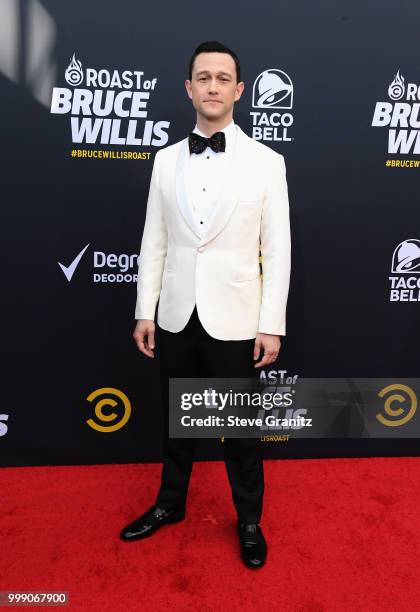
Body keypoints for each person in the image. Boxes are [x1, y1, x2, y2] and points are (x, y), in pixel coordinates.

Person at [120, 41, 291, 569]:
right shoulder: (165, 159)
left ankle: (249, 521)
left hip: (236, 320)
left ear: (239, 91)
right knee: (177, 424)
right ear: (189, 88)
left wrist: (271, 324)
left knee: (239, 432)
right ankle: (169, 505)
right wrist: (144, 311)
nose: (213, 86)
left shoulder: (268, 162)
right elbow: (155, 241)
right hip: (174, 316)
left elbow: (277, 249)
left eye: (223, 78)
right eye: (203, 77)